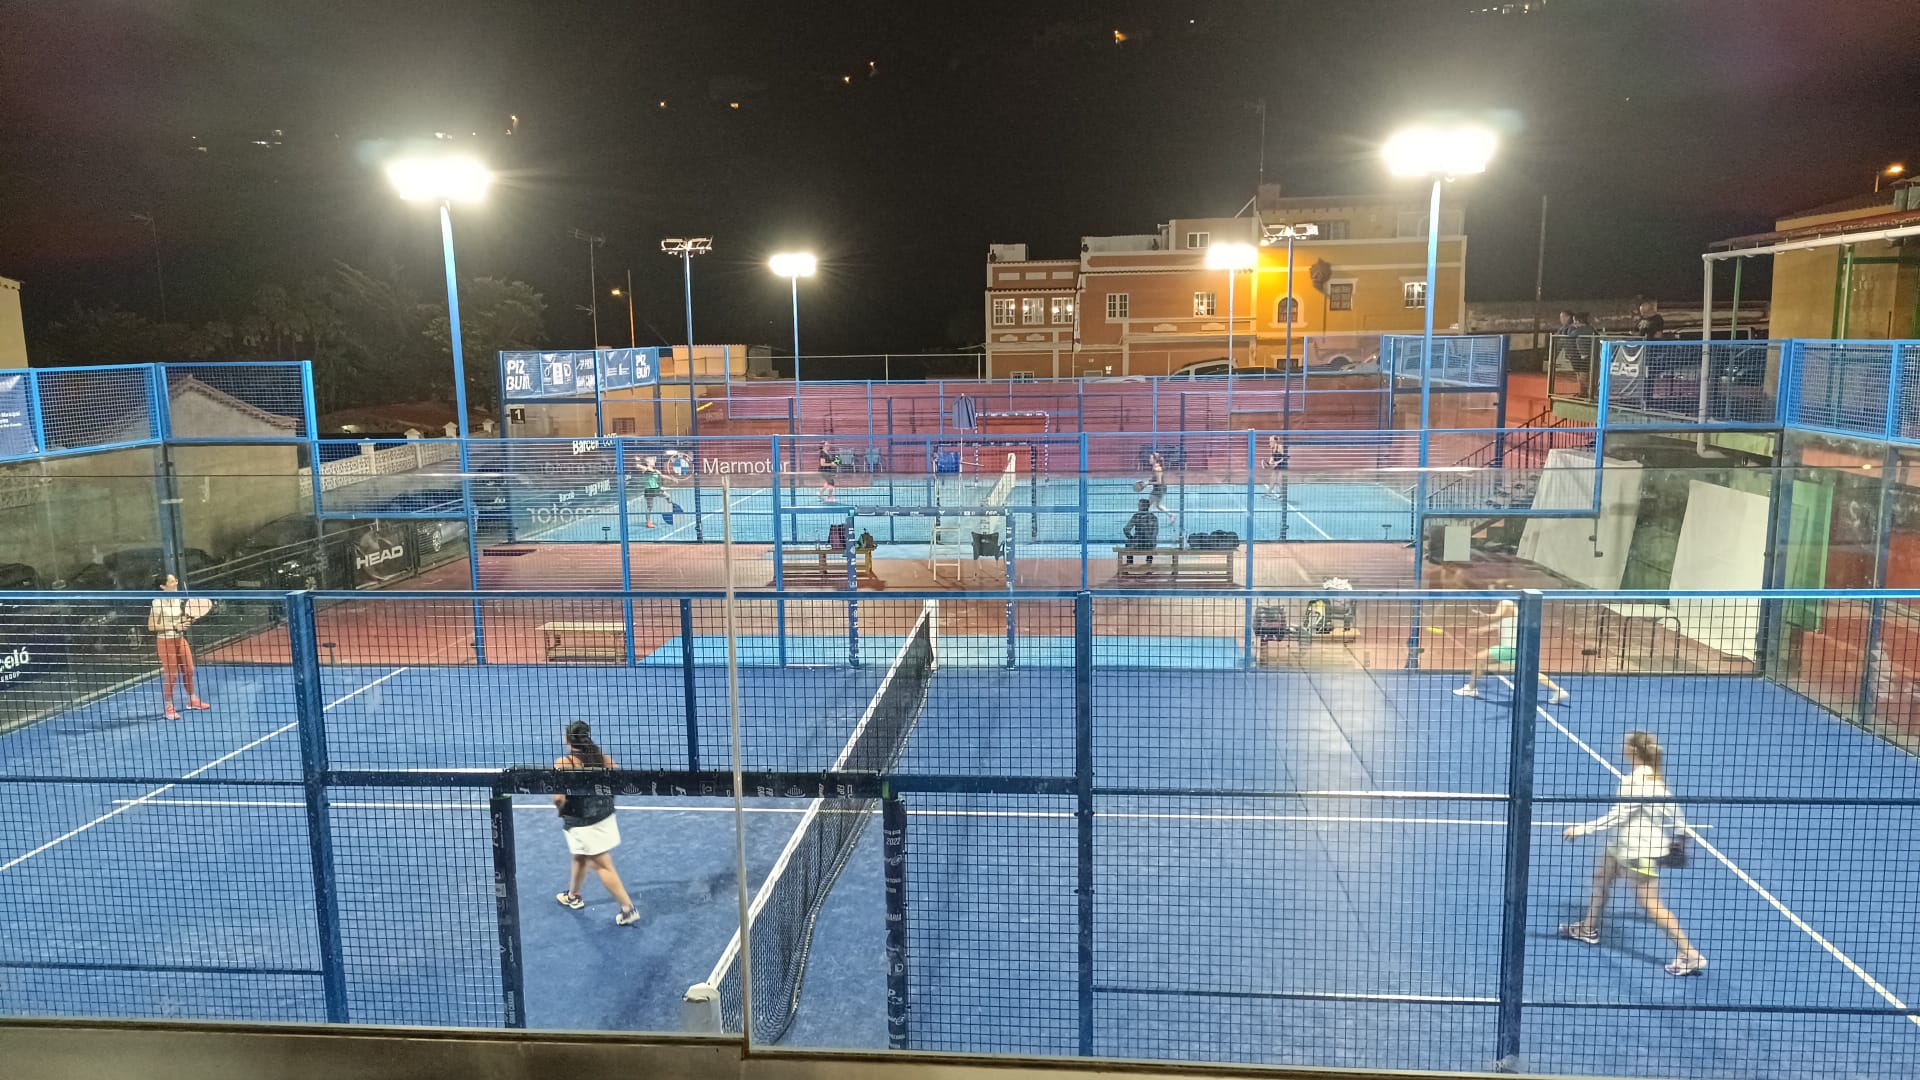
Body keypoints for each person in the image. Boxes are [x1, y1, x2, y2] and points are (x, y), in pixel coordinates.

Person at [1560, 731, 1705, 977]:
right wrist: (1681, 834)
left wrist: (1582, 829)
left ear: (1634, 751)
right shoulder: (1655, 779)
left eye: (1625, 743)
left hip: (1638, 852)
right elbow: (1676, 814)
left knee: (1651, 904)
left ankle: (1690, 954)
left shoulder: (1636, 782)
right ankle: (1588, 927)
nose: (1621, 746)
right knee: (1601, 879)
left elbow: (1619, 815)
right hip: (1622, 845)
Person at [552, 721, 641, 926]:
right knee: (580, 856)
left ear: (567, 739)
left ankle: (628, 909)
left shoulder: (564, 763)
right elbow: (618, 782)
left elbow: (558, 798)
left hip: (583, 823)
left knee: (603, 865)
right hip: (605, 816)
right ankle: (573, 896)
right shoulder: (603, 758)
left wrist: (560, 809)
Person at [1452, 597, 1570, 704]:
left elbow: (1497, 616)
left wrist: (1484, 615)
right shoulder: (1514, 609)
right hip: (1521, 648)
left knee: (1479, 658)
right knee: (1530, 673)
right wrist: (1480, 630)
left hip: (1510, 649)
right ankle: (1558, 690)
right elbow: (1497, 624)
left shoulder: (1505, 603)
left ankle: (1471, 688)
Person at [147, 574, 209, 720]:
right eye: (172, 581)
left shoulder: (178, 600)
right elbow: (151, 626)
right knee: (172, 675)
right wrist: (174, 626)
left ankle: (192, 700)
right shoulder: (157, 603)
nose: (176, 582)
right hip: (165, 642)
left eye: (175, 580)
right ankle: (169, 707)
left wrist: (187, 621)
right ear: (163, 586)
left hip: (180, 640)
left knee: (189, 670)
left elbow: (181, 621)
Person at [1122, 498, 1159, 565]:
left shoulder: (1136, 516)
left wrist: (1131, 538)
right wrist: (1151, 540)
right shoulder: (1154, 517)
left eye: (1139, 505)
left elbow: (1126, 529)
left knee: (1128, 543)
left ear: (1143, 507)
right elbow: (1155, 533)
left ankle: (1130, 563)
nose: (1138, 507)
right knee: (1151, 542)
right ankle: (1149, 563)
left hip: (1138, 544)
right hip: (1150, 545)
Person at [1145, 451, 1175, 527]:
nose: (1149, 459)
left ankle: (1148, 521)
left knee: (1147, 505)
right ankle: (1171, 515)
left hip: (1159, 489)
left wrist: (1149, 483)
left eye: (1151, 458)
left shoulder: (1157, 469)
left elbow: (1159, 482)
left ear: (1155, 460)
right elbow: (1154, 479)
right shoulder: (1154, 467)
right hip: (1159, 488)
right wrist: (1147, 482)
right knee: (1158, 505)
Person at [638, 457, 665, 529]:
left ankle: (672, 504)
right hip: (649, 490)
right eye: (653, 461)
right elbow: (638, 466)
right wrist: (638, 460)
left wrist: (672, 478)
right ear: (648, 463)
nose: (654, 462)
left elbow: (662, 476)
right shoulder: (646, 469)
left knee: (667, 496)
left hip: (656, 489)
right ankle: (648, 522)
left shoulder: (656, 470)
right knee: (650, 506)